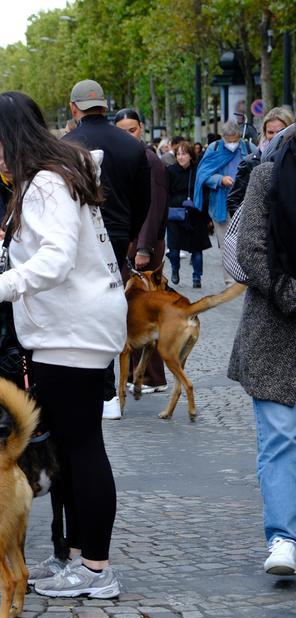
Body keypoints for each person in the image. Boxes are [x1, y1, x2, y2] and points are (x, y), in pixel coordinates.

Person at [0, 90, 126, 599]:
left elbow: (55, 259)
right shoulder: (54, 174)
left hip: (72, 330)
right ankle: (79, 558)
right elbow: (25, 251)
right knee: (71, 447)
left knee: (82, 448)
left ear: (10, 137)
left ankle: (96, 568)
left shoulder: (44, 182)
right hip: (75, 326)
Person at [228, 128, 296, 577]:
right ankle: (284, 537)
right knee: (280, 437)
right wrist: (291, 294)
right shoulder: (268, 175)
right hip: (275, 326)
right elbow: (251, 249)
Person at [63, 79, 150, 419]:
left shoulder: (65, 147)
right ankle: (108, 390)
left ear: (74, 109)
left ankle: (84, 383)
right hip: (116, 236)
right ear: (106, 105)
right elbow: (144, 199)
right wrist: (129, 235)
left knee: (77, 310)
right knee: (110, 307)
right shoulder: (131, 146)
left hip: (78, 237)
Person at [113, 108, 168, 392]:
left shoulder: (149, 160)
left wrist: (143, 248)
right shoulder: (132, 158)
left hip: (144, 249)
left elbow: (153, 209)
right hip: (134, 246)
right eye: (122, 131)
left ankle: (149, 376)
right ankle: (143, 374)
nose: (128, 135)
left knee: (142, 312)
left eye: (131, 130)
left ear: (142, 128)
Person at [193, 120, 254, 285]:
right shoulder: (214, 149)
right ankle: (230, 279)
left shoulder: (248, 148)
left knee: (245, 240)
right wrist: (219, 179)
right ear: (223, 137)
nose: (233, 144)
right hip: (221, 203)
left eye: (235, 140)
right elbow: (203, 174)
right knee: (226, 242)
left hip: (245, 202)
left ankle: (245, 273)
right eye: (230, 140)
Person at [227, 107, 295, 218]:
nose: (275, 136)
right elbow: (234, 200)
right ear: (264, 132)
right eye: (270, 132)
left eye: (280, 132)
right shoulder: (250, 162)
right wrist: (249, 229)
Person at [165, 141, 211, 288]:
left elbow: (205, 192)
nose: (180, 157)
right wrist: (179, 201)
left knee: (196, 249)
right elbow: (166, 193)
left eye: (184, 154)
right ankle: (175, 269)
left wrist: (202, 209)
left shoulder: (198, 171)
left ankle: (197, 277)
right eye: (178, 154)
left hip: (195, 214)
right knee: (173, 249)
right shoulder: (170, 171)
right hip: (176, 214)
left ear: (191, 155)